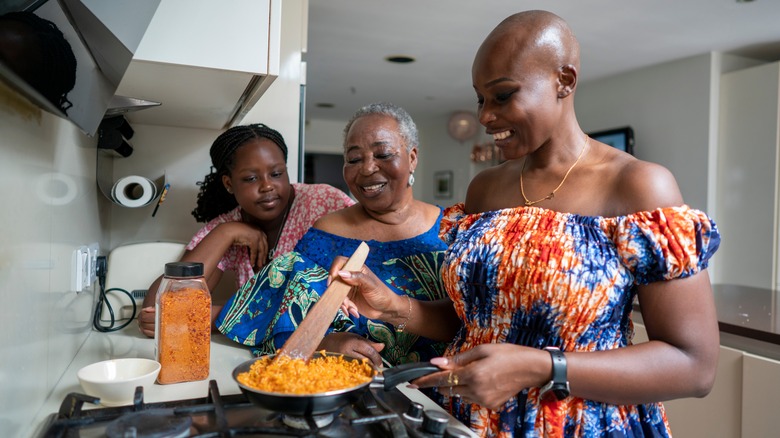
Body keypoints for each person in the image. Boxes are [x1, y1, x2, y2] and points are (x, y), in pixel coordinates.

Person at [333, 10, 721, 437]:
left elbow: (693, 365)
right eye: (481, 99)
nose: (484, 116)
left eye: (502, 96)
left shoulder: (638, 186)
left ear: (564, 81)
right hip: (469, 420)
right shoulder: (485, 190)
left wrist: (541, 367)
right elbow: (478, 320)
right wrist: (393, 306)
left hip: (579, 424)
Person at [214, 102, 458, 367]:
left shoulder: (456, 230)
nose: (366, 168)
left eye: (383, 154)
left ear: (412, 158)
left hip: (444, 387)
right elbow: (281, 324)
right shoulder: (326, 234)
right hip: (354, 388)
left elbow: (478, 322)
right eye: (353, 159)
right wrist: (327, 344)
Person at [138, 123, 354, 337]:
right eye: (251, 178)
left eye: (277, 173)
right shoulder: (228, 226)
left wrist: (207, 318)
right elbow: (155, 310)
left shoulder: (324, 202)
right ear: (229, 183)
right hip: (262, 356)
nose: (267, 186)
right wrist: (227, 232)